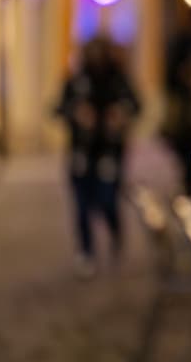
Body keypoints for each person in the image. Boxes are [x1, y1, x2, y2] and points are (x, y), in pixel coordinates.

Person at [56, 35, 140, 277]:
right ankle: (86, 251)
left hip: (109, 152)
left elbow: (135, 104)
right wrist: (77, 114)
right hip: (82, 153)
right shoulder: (77, 80)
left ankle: (115, 233)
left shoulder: (118, 80)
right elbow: (59, 107)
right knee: (81, 205)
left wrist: (120, 114)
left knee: (107, 200)